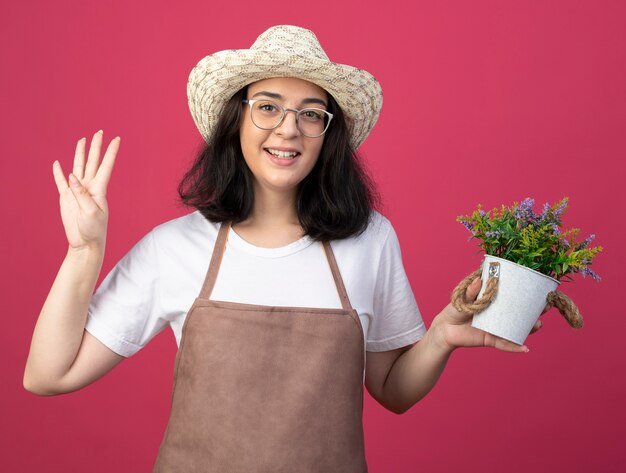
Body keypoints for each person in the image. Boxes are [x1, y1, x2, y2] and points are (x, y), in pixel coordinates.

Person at [24, 25, 540, 472]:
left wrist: (442, 336)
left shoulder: (370, 239)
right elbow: (47, 376)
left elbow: (392, 391)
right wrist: (83, 252)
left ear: (327, 134)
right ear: (236, 121)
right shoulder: (175, 246)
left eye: (311, 114)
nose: (288, 128)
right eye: (267, 106)